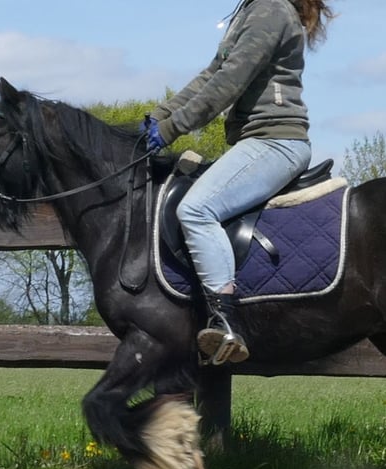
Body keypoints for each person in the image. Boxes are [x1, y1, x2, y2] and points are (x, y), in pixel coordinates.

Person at [144, 0, 335, 365]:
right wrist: (159, 115)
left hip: (275, 142)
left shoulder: (269, 9)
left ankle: (225, 322)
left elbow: (231, 80)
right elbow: (211, 74)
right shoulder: (250, 10)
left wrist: (171, 128)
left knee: (197, 209)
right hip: (257, 141)